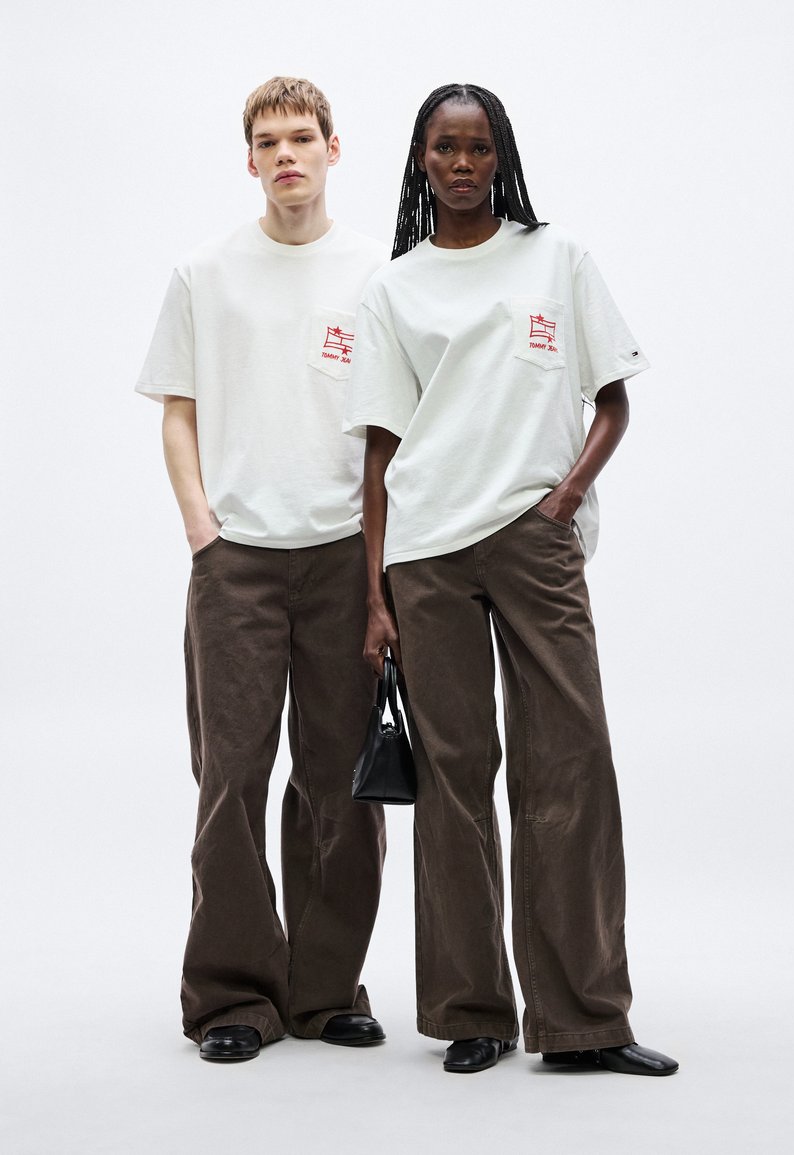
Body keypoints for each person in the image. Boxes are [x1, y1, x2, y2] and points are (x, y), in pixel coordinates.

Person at [345, 83, 678, 1077]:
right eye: (444, 148)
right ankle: (471, 1012)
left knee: (571, 760)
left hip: (534, 539)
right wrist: (374, 593)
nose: (461, 164)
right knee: (455, 775)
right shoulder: (392, 288)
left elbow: (611, 401)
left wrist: (562, 498)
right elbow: (378, 452)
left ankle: (584, 1019)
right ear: (419, 159)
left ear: (502, 157)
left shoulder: (556, 258)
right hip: (427, 551)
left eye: (478, 147)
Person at [136, 76, 387, 1061]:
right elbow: (177, 411)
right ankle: (233, 997)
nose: (287, 154)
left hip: (342, 556)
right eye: (269, 141)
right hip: (235, 560)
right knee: (230, 778)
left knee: (340, 780)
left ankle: (325, 991)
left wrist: (381, 556)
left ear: (333, 149)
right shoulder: (205, 273)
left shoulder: (375, 272)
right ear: (249, 160)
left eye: (302, 137)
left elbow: (397, 421)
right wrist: (203, 528)